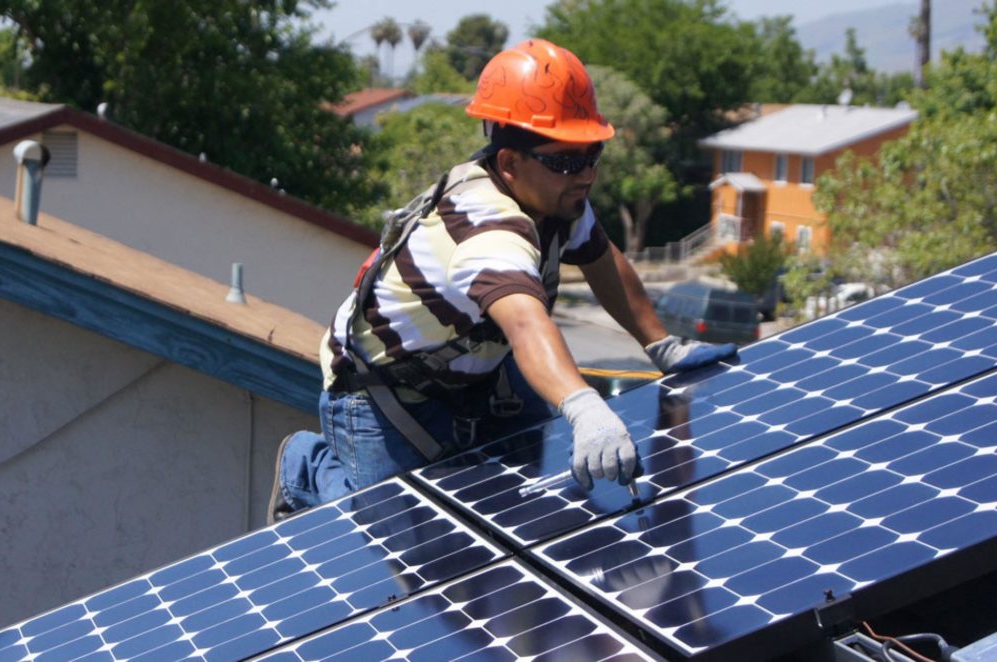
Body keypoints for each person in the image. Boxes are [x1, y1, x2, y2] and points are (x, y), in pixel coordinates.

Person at [269, 39, 735, 522]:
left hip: (478, 371)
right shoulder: (489, 229)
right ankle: (309, 467)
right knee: (397, 538)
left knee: (531, 498)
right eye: (568, 161)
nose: (587, 175)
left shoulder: (557, 195)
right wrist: (583, 407)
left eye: (592, 154)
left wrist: (661, 345)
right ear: (510, 163)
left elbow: (602, 260)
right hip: (384, 390)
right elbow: (526, 325)